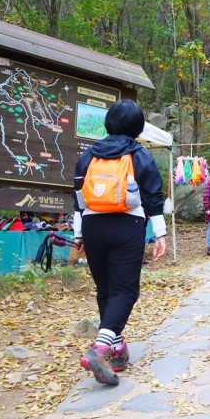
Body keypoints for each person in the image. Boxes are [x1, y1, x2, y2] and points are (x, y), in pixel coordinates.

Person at [73, 99, 167, 386]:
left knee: (107, 290)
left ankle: (117, 349)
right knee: (125, 290)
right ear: (138, 127)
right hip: (128, 224)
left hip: (92, 224)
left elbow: (78, 194)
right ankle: (101, 349)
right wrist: (160, 233)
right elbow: (153, 194)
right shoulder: (139, 154)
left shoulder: (89, 154)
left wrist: (78, 232)